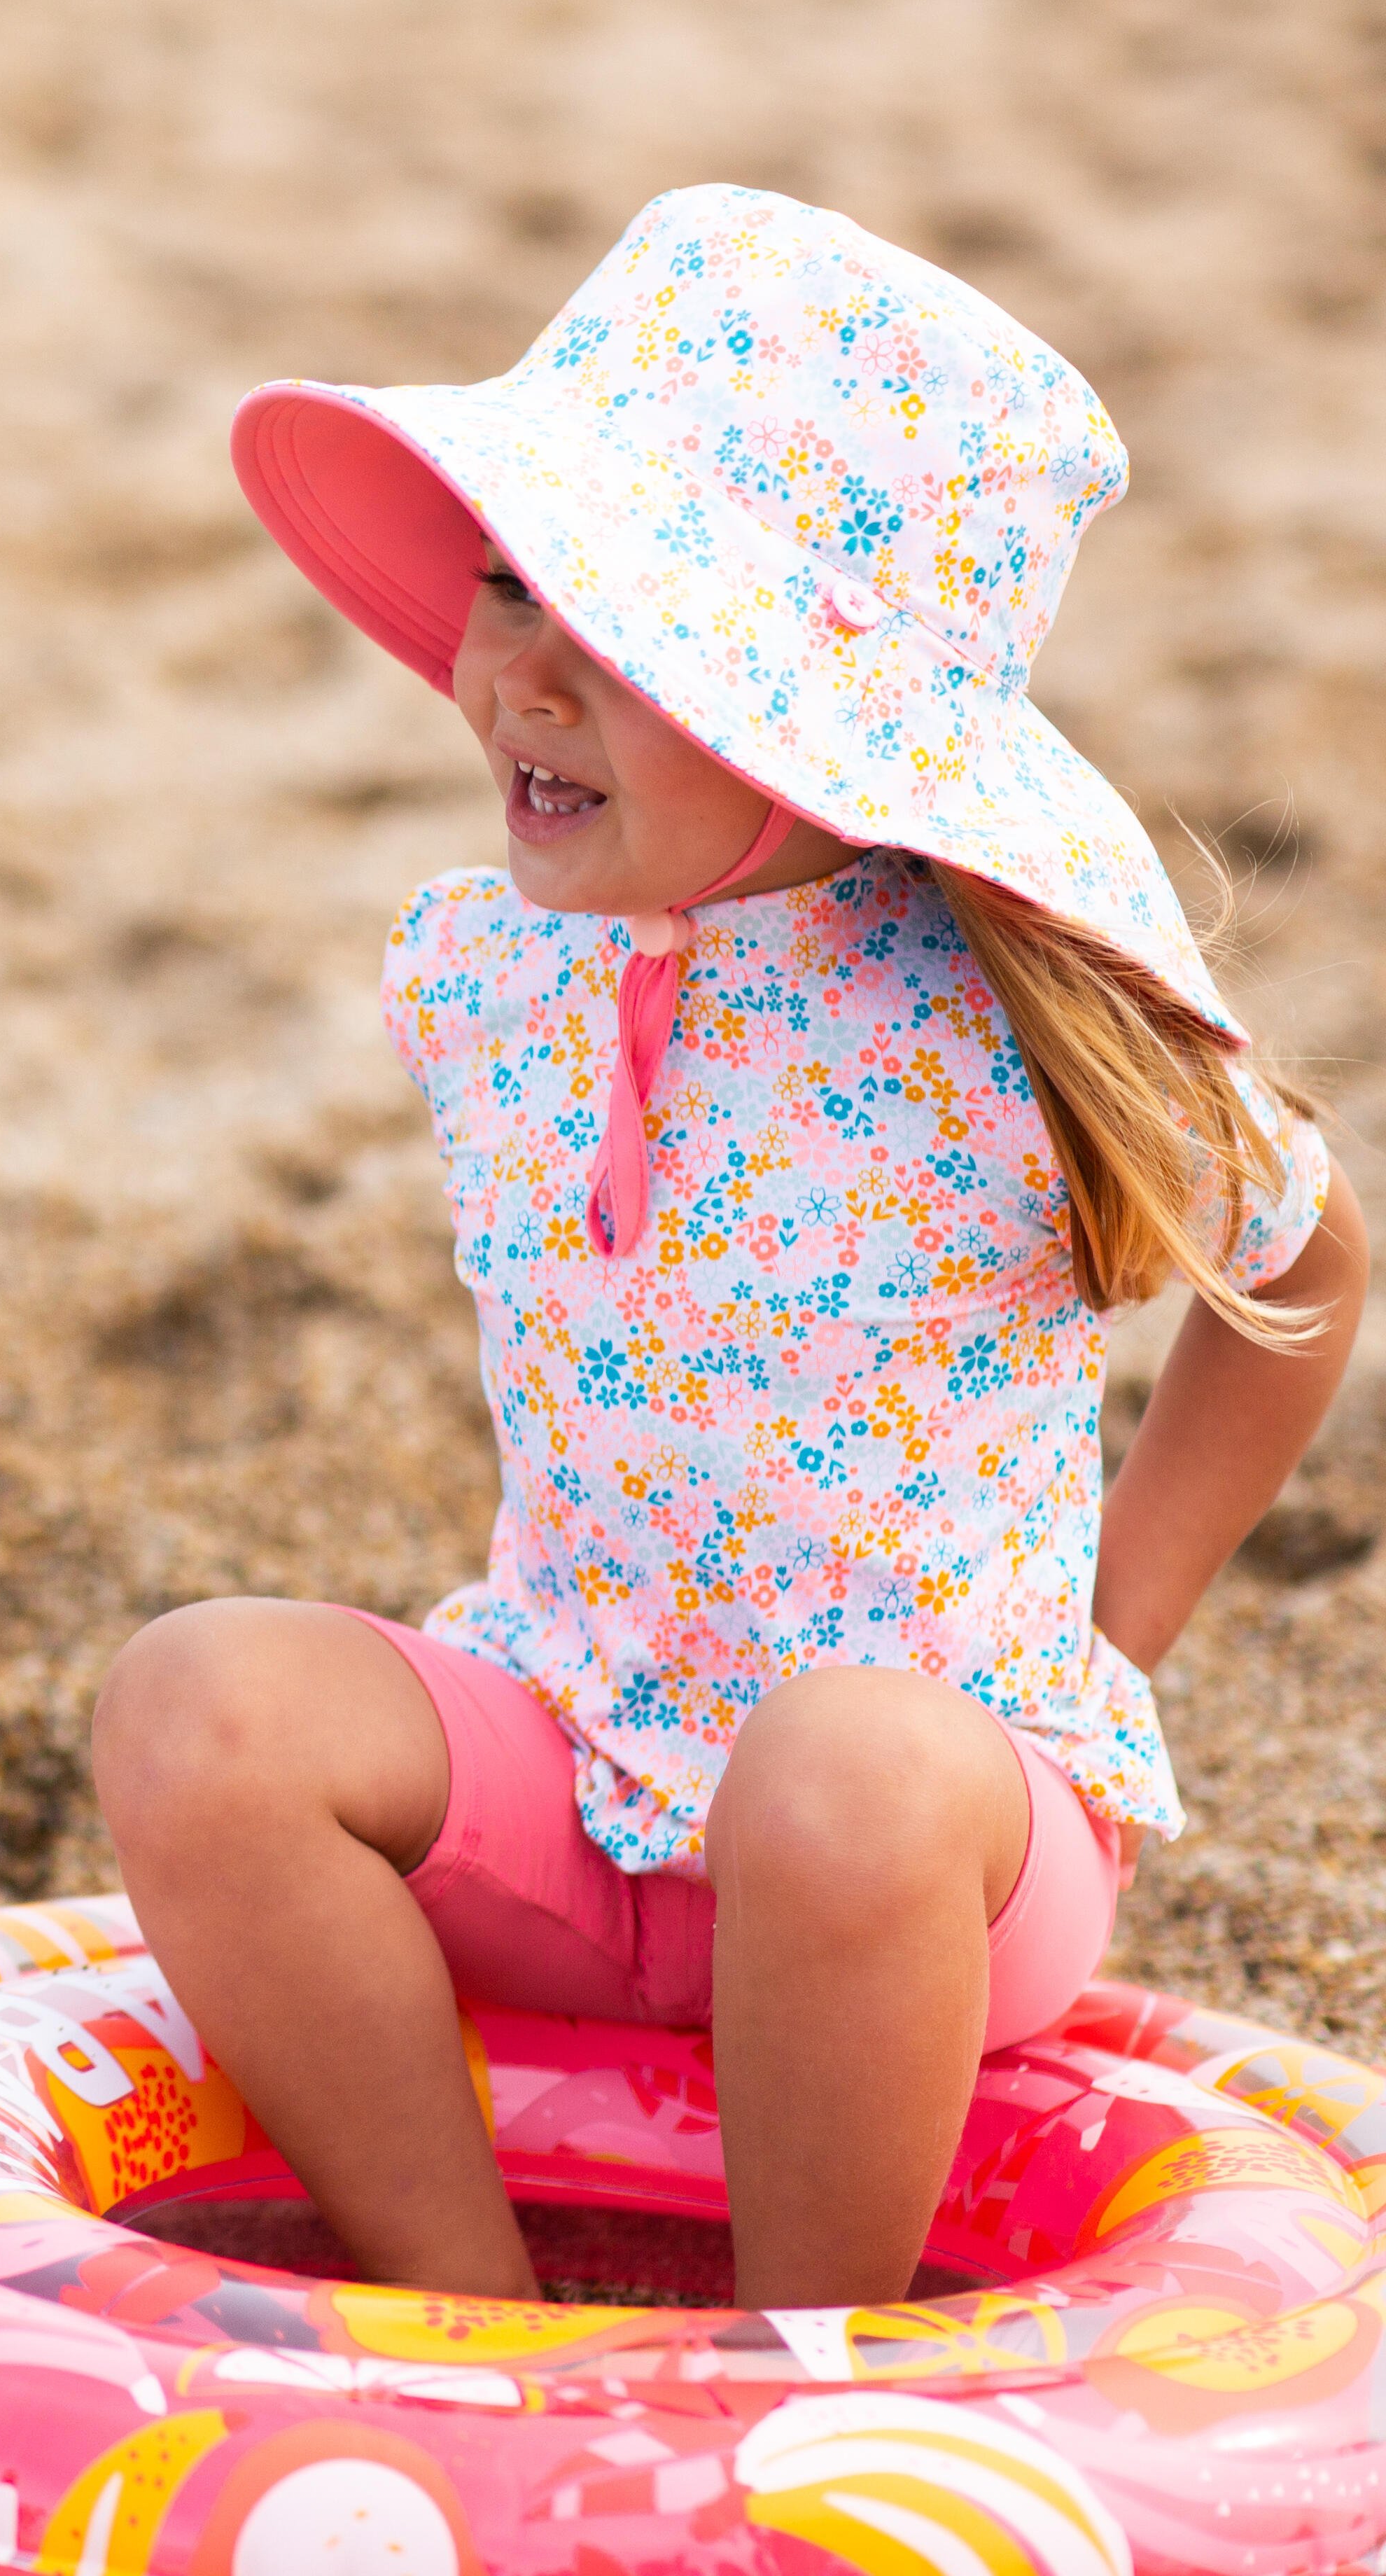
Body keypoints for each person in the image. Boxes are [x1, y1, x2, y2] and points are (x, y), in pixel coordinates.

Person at [97, 183, 1366, 2311]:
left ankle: (813, 2377)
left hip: (922, 1861)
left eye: (627, 639)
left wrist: (1108, 1640)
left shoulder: (1012, 1013)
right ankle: (465, 2322)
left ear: (827, 721)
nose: (519, 679)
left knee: (843, 1764)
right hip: (572, 1774)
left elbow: (1313, 1267)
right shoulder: (486, 969)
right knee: (199, 1703)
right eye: (510, 590)